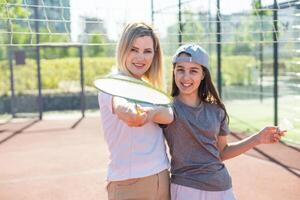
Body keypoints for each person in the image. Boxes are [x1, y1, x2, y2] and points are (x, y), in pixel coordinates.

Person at [163, 44, 285, 200]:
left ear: (203, 75)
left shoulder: (216, 110)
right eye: (180, 69)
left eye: (193, 71)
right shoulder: (166, 109)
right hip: (185, 188)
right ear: (173, 72)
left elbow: (222, 152)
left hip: (221, 188)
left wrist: (258, 138)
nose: (186, 77)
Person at [98, 22, 173, 200]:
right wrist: (132, 113)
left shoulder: (149, 86)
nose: (141, 57)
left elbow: (169, 116)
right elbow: (121, 105)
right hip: (129, 184)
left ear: (155, 55)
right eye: (134, 49)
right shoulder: (113, 82)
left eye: (147, 51)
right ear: (123, 49)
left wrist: (151, 113)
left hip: (162, 178)